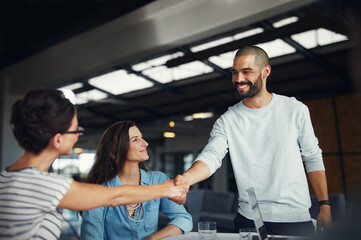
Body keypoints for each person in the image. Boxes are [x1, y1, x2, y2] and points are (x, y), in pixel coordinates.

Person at [173, 46, 332, 236]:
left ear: (266, 71)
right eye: (235, 72)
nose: (239, 79)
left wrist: (325, 205)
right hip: (249, 220)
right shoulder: (228, 120)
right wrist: (186, 179)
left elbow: (312, 156)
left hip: (294, 219)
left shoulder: (295, 109)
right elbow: (211, 156)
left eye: (246, 72)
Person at [0, 89, 184, 240]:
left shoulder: (5, 178)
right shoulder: (45, 185)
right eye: (76, 130)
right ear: (57, 139)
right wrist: (165, 189)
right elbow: (115, 197)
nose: (79, 135)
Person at [80, 120, 192, 240]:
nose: (145, 143)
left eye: (142, 137)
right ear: (117, 149)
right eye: (135, 139)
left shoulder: (158, 180)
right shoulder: (99, 192)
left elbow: (184, 219)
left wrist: (152, 238)